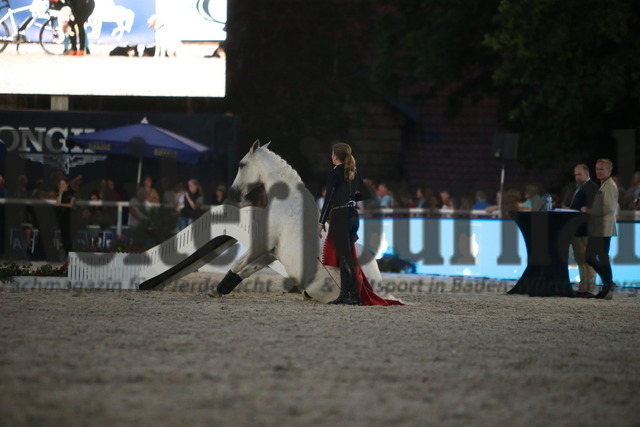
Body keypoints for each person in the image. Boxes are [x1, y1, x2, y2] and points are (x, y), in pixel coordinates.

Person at [318, 142, 403, 306]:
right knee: (348, 257)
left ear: (335, 156)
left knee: (344, 258)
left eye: (332, 153)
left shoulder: (334, 173)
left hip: (340, 217)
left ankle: (350, 295)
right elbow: (366, 194)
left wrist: (321, 222)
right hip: (353, 216)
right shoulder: (352, 171)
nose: (331, 156)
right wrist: (351, 198)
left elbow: (328, 200)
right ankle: (348, 294)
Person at [584, 159, 618, 300]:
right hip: (601, 227)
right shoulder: (605, 185)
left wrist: (589, 211)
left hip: (603, 228)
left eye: (602, 169)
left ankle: (608, 284)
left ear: (609, 170)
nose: (599, 171)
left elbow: (608, 208)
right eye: (597, 169)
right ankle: (608, 285)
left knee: (592, 257)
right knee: (599, 257)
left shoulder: (609, 186)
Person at [568, 164, 599, 297]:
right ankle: (583, 287)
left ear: (587, 174)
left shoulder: (591, 188)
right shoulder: (580, 188)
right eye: (575, 175)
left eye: (579, 174)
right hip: (579, 228)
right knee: (580, 258)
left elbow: (593, 208)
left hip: (587, 229)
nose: (577, 177)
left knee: (588, 259)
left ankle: (589, 288)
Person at [56, 177, 77, 253]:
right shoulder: (59, 193)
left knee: (68, 235)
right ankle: (66, 252)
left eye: (63, 184)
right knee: (63, 235)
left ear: (67, 184)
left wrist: (61, 204)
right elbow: (58, 203)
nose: (61, 185)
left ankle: (70, 251)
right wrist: (60, 193)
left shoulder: (72, 193)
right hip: (62, 217)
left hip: (70, 217)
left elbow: (71, 204)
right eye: (60, 184)